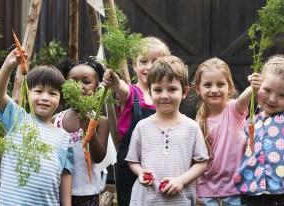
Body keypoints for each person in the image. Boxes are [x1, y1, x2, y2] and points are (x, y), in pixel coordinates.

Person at [125, 55, 209, 205]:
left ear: (184, 91)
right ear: (150, 93)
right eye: (158, 90)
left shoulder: (192, 127)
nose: (164, 96)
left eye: (172, 89)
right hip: (145, 200)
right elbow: (133, 160)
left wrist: (181, 181)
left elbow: (201, 163)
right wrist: (140, 173)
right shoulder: (142, 127)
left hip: (179, 200)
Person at [0, 48, 74, 205]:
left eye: (52, 94)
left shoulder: (64, 137)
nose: (45, 97)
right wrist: (9, 65)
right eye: (38, 91)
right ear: (27, 92)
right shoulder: (18, 118)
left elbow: (65, 175)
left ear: (60, 99)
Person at [102, 36, 171, 206]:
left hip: (160, 161)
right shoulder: (132, 93)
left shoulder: (168, 96)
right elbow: (122, 90)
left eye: (155, 61)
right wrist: (116, 82)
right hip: (130, 165)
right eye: (143, 61)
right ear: (134, 65)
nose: (149, 67)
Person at [193, 57, 262, 205]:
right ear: (198, 89)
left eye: (220, 84)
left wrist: (254, 86)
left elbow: (244, 99)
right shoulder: (198, 123)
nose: (214, 90)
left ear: (230, 88)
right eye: (207, 85)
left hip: (236, 189)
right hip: (207, 192)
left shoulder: (234, 110)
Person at [234, 55, 284, 206]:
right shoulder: (252, 119)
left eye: (282, 95)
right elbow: (239, 104)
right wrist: (252, 87)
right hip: (251, 195)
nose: (272, 99)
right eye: (267, 90)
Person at [53, 59, 110, 206]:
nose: (80, 86)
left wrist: (88, 129)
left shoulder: (100, 121)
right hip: (54, 189)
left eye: (86, 81)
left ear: (97, 89)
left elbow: (98, 157)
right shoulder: (55, 119)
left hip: (86, 191)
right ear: (65, 87)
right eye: (73, 81)